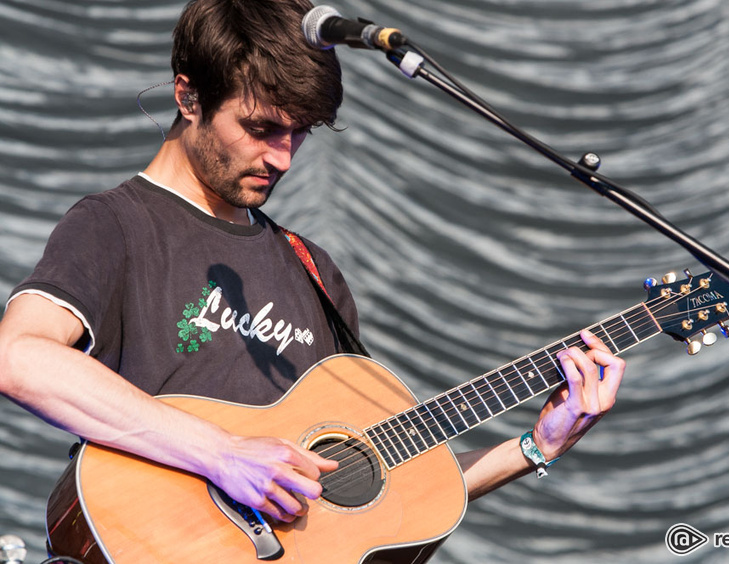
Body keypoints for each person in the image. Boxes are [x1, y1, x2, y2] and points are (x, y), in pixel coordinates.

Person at [0, 0, 624, 548]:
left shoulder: (312, 271)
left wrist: (534, 447)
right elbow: (19, 358)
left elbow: (379, 499)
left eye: (300, 133)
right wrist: (223, 455)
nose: (283, 157)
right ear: (188, 97)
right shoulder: (116, 224)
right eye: (261, 127)